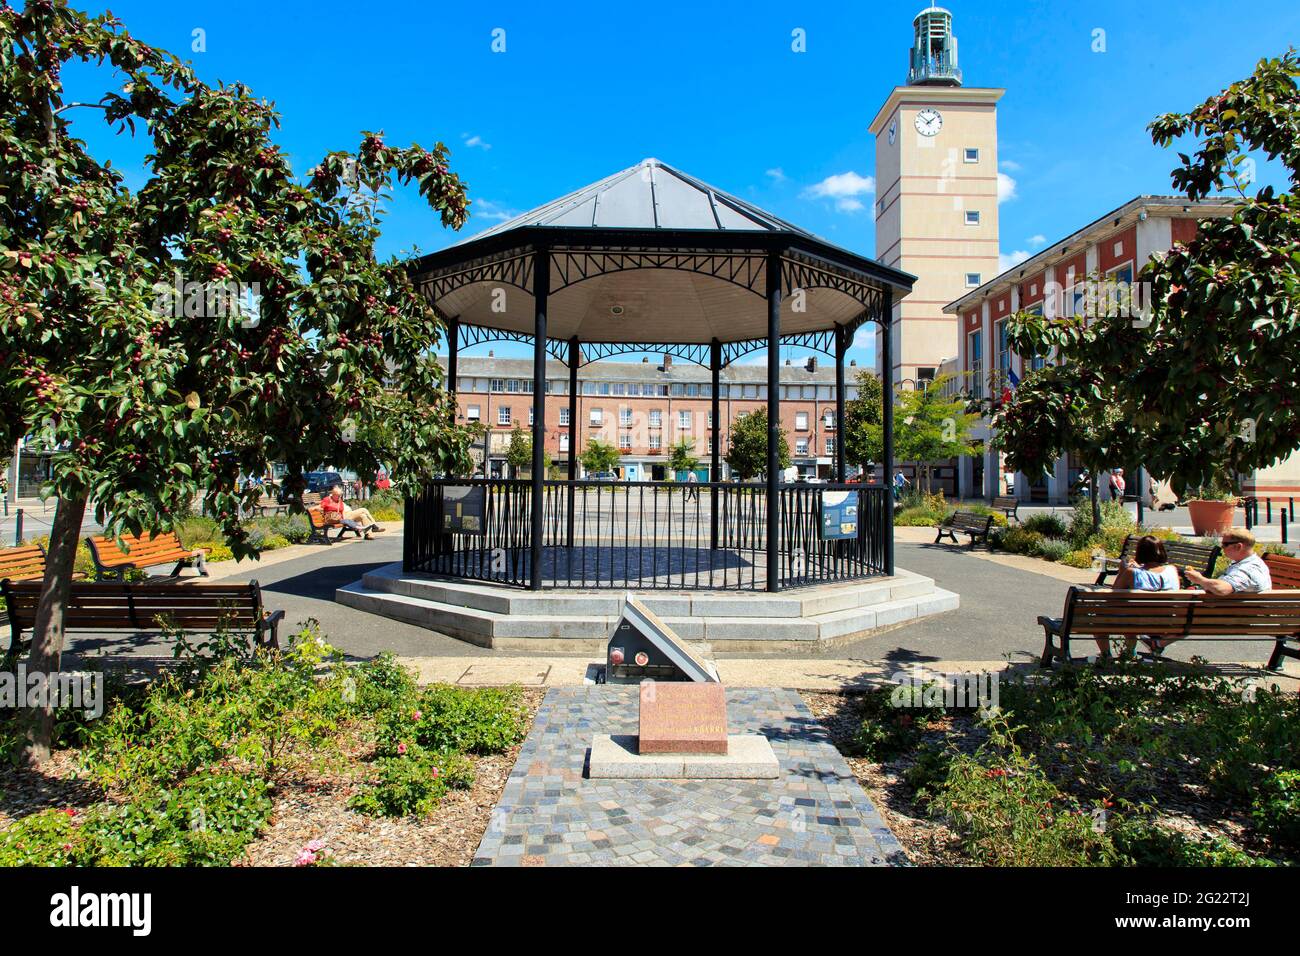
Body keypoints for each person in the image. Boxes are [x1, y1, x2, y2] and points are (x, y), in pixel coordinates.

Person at [1146, 527, 1272, 656]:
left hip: (1238, 615)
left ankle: (1157, 639)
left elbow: (1222, 589)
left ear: (1238, 546)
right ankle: (1159, 641)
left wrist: (1200, 580)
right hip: (1237, 609)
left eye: (1225, 544)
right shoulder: (1247, 563)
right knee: (1187, 603)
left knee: (1187, 608)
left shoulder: (1248, 569)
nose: (1222, 547)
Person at [1096, 535, 1180, 661]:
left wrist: (1122, 572)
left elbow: (1112, 598)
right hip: (1166, 622)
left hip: (1136, 621)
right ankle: (1129, 652)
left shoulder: (1132, 573)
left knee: (1099, 617)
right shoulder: (1172, 570)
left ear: (1140, 552)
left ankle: (1106, 655)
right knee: (1131, 613)